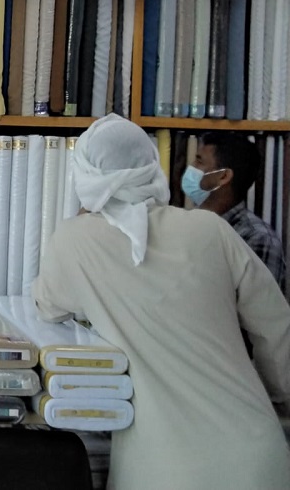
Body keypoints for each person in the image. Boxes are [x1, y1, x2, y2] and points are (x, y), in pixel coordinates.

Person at [32, 114, 290, 490]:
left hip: (163, 468)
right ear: (152, 165)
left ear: (85, 174)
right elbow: (277, 329)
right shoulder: (210, 229)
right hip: (257, 456)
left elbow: (47, 306)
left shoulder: (73, 241)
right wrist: (279, 400)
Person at [183, 131, 286, 291]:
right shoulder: (184, 223)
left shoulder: (257, 239)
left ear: (223, 176)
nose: (191, 167)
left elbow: (258, 303)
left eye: (199, 161)